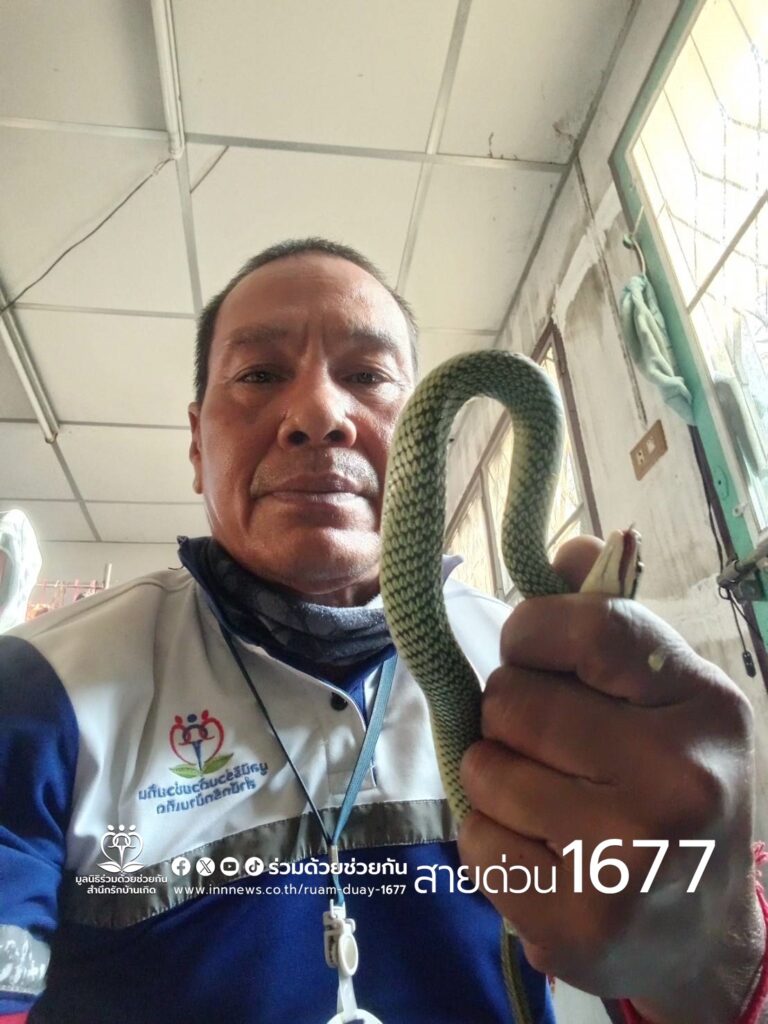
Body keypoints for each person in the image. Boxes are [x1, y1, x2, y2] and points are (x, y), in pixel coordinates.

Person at [0, 237, 764, 1024]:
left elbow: (667, 965)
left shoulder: (542, 677)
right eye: (259, 375)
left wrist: (712, 964)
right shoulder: (38, 688)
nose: (319, 416)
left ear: (431, 439)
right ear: (197, 445)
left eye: (367, 376)